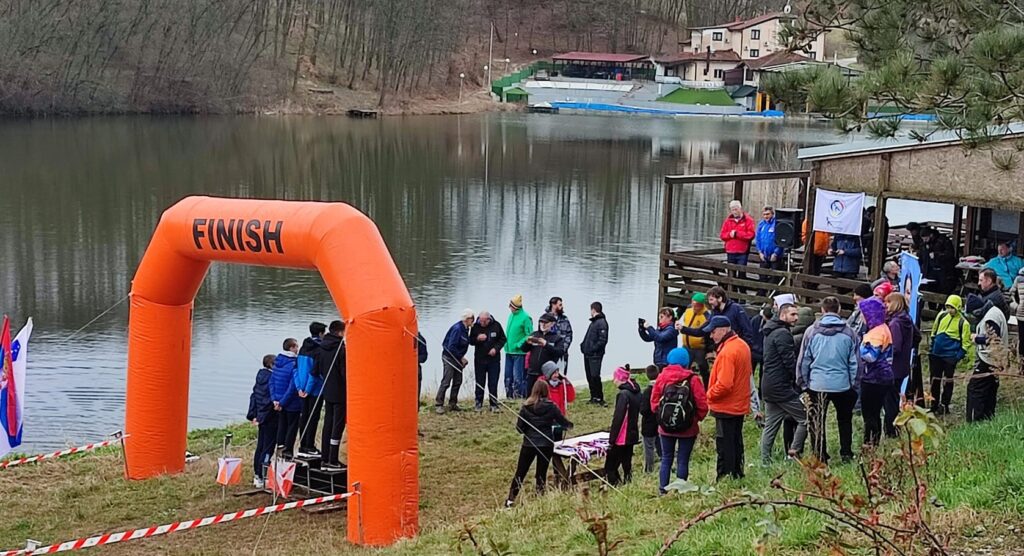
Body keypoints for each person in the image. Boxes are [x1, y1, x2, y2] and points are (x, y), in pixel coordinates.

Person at [797, 297, 858, 464]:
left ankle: (819, 454)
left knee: (816, 421)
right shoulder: (849, 332)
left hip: (817, 384)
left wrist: (802, 382)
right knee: (845, 420)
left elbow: (804, 360)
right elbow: (854, 362)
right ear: (838, 310)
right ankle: (846, 452)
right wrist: (854, 383)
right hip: (842, 384)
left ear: (822, 310)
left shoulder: (811, 332)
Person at [505, 381, 573, 507]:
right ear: (546, 391)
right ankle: (540, 499)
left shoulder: (525, 408)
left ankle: (510, 500)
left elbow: (519, 429)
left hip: (529, 444)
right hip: (546, 444)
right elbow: (565, 424)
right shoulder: (551, 407)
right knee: (541, 473)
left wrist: (529, 430)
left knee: (520, 472)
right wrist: (566, 425)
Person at [651, 348, 708, 493]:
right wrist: (695, 419)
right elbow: (702, 404)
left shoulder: (662, 377)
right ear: (687, 362)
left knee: (666, 458)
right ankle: (680, 490)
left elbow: (654, 403)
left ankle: (662, 489)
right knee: (682, 460)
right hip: (688, 428)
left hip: (665, 428)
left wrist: (662, 417)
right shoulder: (693, 379)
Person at [759, 304, 808, 464]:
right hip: (781, 387)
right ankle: (793, 454)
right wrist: (799, 380)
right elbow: (789, 360)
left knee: (771, 425)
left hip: (769, 384)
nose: (796, 318)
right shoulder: (783, 334)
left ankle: (765, 460)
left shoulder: (770, 331)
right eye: (793, 314)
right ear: (782, 315)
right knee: (805, 419)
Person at [705, 316, 752, 480]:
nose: (711, 336)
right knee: (736, 441)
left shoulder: (727, 352)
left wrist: (708, 395)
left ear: (724, 330)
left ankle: (725, 475)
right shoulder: (741, 345)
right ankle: (737, 472)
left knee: (725, 443)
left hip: (726, 406)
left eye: (713, 331)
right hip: (739, 404)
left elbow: (724, 384)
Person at [857, 297, 894, 447]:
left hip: (874, 378)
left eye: (862, 313)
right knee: (875, 413)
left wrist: (858, 349)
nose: (861, 317)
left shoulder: (875, 333)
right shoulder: (883, 328)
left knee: (870, 414)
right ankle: (873, 442)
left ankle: (870, 444)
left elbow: (871, 356)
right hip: (883, 376)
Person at [927, 295, 971, 415]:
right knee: (934, 380)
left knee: (948, 381)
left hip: (950, 357)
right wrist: (932, 347)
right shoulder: (941, 316)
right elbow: (934, 331)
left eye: (952, 307)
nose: (950, 310)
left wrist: (958, 356)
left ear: (958, 307)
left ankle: (945, 404)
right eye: (948, 307)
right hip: (936, 354)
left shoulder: (963, 323)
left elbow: (966, 342)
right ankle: (933, 403)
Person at [967, 294, 1007, 422]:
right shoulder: (993, 312)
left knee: (975, 389)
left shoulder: (990, 317)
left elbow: (994, 339)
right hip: (996, 359)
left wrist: (976, 338)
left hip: (989, 359)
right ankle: (988, 418)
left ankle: (975, 421)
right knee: (990, 389)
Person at [317, 320, 347, 471]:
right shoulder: (341, 348)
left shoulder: (322, 346)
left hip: (327, 390)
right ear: (340, 332)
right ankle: (333, 460)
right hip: (341, 392)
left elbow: (317, 370)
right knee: (338, 425)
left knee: (328, 424)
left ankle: (324, 458)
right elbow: (345, 373)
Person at [886, 292, 922, 420]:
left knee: (890, 399)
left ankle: (891, 428)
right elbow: (918, 336)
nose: (886, 305)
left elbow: (895, 347)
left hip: (893, 366)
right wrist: (908, 349)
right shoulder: (907, 318)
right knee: (895, 396)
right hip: (903, 365)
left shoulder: (895, 323)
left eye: (888, 302)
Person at [605, 366, 641, 485]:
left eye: (615, 378)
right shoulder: (636, 392)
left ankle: (615, 485)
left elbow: (618, 419)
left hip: (622, 436)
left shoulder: (623, 395)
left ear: (620, 378)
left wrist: (612, 439)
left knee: (610, 466)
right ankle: (628, 482)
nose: (613, 380)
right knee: (627, 462)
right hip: (632, 433)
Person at [295, 322, 326, 458]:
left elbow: (296, 369)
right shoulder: (319, 350)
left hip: (301, 388)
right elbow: (314, 373)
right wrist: (308, 389)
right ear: (320, 334)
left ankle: (303, 445)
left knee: (304, 417)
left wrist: (299, 388)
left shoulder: (303, 348)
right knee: (313, 417)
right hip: (314, 390)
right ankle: (309, 446)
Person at [246, 354, 277, 488]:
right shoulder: (272, 379)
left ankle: (257, 474)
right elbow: (269, 399)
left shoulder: (260, 378)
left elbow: (254, 396)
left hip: (260, 417)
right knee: (268, 447)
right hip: (270, 417)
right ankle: (263, 475)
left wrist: (254, 415)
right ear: (271, 365)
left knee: (260, 446)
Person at [436, 309, 474, 414]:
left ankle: (453, 403)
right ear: (467, 319)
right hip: (449, 357)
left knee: (457, 381)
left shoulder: (466, 329)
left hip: (457, 359)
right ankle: (439, 404)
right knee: (446, 381)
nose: (473, 321)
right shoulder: (457, 329)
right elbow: (451, 346)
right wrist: (461, 358)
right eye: (472, 319)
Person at [270, 338, 301, 459]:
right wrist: (283, 402)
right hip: (291, 403)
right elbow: (292, 387)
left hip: (278, 401)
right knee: (292, 427)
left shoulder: (277, 362)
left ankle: (279, 449)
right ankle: (288, 452)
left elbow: (271, 382)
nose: (297, 349)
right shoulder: (294, 364)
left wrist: (275, 400)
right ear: (292, 348)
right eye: (296, 347)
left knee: (282, 426)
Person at [469, 311, 506, 412]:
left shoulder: (496, 325)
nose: (482, 323)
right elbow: (471, 341)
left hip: (494, 360)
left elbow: (503, 339)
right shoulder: (475, 326)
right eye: (480, 321)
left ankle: (493, 404)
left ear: (488, 320)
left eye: (484, 321)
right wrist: (477, 338)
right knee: (480, 382)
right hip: (480, 360)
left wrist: (496, 349)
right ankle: (478, 403)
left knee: (493, 382)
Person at [521, 312, 564, 397]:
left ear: (552, 324)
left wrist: (546, 345)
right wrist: (526, 343)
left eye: (545, 323)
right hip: (532, 372)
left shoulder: (557, 338)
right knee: (530, 397)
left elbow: (560, 352)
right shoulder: (534, 334)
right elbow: (524, 349)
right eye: (541, 322)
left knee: (544, 397)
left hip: (546, 374)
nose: (543, 325)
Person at [721, 200, 756, 291]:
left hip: (742, 252)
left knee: (741, 274)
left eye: (736, 209)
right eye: (732, 210)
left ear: (740, 209)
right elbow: (722, 235)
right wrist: (730, 235)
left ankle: (742, 295)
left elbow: (750, 235)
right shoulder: (728, 221)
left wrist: (737, 234)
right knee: (731, 274)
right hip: (730, 251)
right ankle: (733, 295)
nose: (734, 211)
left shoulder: (748, 220)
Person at [676, 293, 710, 384]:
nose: (694, 307)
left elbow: (699, 332)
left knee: (703, 369)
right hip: (686, 346)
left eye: (697, 305)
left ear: (702, 305)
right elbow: (681, 321)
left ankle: (707, 387)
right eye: (693, 304)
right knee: (683, 368)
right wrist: (678, 324)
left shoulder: (706, 316)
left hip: (699, 347)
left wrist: (684, 329)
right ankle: (682, 387)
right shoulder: (688, 310)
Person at [580, 301, 609, 405]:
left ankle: (599, 398)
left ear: (593, 310)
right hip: (588, 354)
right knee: (589, 376)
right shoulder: (594, 322)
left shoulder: (601, 322)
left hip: (595, 355)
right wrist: (583, 346)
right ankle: (593, 396)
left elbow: (602, 340)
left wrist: (592, 349)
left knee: (595, 376)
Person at [505, 294, 533, 399]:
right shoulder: (511, 316)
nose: (509, 308)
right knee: (508, 376)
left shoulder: (525, 317)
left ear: (515, 307)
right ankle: (509, 396)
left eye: (511, 306)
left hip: (519, 353)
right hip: (508, 351)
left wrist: (519, 344)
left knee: (518, 377)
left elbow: (529, 334)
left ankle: (518, 397)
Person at [919, 227, 958, 293]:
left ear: (931, 235)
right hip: (930, 271)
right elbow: (923, 257)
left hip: (944, 270)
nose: (924, 241)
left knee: (943, 290)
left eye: (926, 238)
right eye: (923, 239)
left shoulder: (943, 240)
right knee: (930, 289)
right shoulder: (924, 244)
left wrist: (937, 255)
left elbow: (950, 254)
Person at [756, 206, 785, 294]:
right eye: (764, 214)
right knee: (762, 276)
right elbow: (758, 239)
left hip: (775, 255)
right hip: (764, 255)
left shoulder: (777, 224)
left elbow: (781, 240)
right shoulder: (761, 224)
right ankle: (761, 296)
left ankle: (773, 297)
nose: (766, 216)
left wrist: (776, 253)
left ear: (772, 214)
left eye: (768, 214)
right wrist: (760, 252)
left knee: (774, 277)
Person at [639, 365, 661, 473]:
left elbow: (643, 410)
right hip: (661, 422)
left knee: (649, 447)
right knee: (660, 443)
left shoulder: (648, 391)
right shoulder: (662, 387)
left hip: (649, 423)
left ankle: (649, 469)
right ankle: (665, 461)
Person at [546, 297, 573, 370]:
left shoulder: (565, 319)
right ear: (553, 305)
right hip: (548, 354)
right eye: (560, 305)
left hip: (562, 354)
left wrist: (562, 349)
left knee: (561, 376)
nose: (562, 306)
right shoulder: (545, 319)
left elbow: (569, 335)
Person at [1012, 268, 1024, 372]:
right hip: (1021, 315)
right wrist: (1016, 306)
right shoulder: (1019, 278)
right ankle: (1021, 367)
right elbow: (1011, 294)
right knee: (1022, 340)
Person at [417, 332, 428, 408]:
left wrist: (414, 359)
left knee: (417, 387)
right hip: (402, 367)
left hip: (415, 366)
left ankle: (416, 405)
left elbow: (424, 357)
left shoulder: (420, 339)